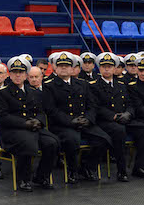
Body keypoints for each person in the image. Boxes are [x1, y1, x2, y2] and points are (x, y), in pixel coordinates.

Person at [43, 52, 111, 183]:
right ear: (55, 69)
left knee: (104, 139)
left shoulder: (82, 84)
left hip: (83, 122)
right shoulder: (49, 86)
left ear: (72, 68)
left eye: (67, 66)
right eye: (61, 66)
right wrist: (70, 121)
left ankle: (87, 167)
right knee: (72, 140)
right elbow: (51, 110)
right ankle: (72, 170)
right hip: (62, 125)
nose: (64, 68)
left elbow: (92, 105)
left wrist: (88, 119)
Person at [0, 57, 59, 192]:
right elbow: (3, 117)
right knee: (28, 142)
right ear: (9, 75)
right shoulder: (2, 93)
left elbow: (41, 111)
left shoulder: (34, 92)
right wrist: (25, 123)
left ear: (26, 75)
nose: (18, 75)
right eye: (15, 72)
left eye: (21, 72)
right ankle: (23, 179)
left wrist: (38, 121)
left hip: (33, 128)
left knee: (53, 142)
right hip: (13, 131)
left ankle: (41, 176)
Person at [88, 52, 144, 181]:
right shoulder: (93, 85)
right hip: (105, 121)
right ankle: (121, 171)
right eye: (104, 66)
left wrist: (128, 113)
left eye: (109, 66)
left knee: (143, 130)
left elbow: (130, 103)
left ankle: (140, 167)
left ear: (114, 68)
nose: (107, 69)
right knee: (119, 131)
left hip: (123, 118)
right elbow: (96, 107)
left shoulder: (122, 85)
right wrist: (114, 116)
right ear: (99, 68)